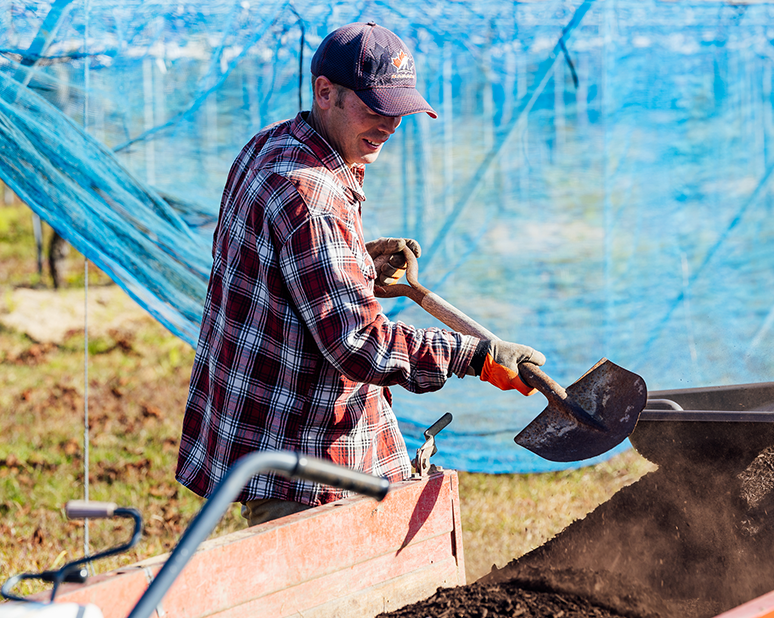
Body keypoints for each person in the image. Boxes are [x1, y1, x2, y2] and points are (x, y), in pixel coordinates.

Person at [176, 22, 545, 527]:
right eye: (375, 109)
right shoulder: (311, 195)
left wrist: (356, 266)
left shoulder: (271, 146)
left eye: (398, 112)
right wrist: (478, 355)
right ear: (325, 92)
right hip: (305, 462)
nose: (389, 126)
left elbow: (279, 279)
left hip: (273, 429)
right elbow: (359, 344)